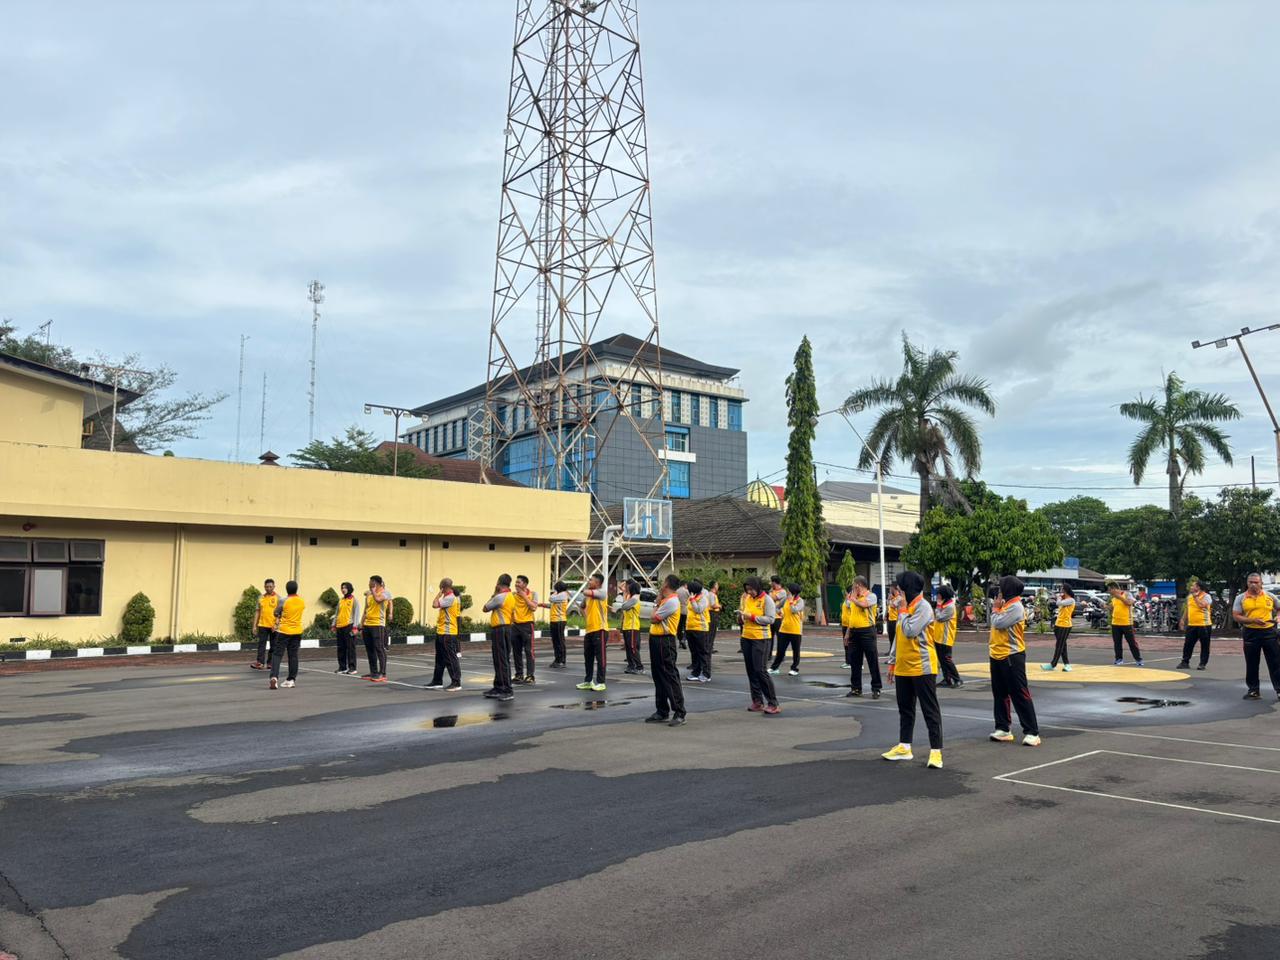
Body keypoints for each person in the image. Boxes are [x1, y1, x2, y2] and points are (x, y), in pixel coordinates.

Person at [881, 571, 942, 768]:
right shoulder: (905, 608)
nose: (897, 592)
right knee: (905, 709)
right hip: (903, 667)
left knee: (929, 710)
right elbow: (898, 638)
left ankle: (936, 752)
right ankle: (904, 747)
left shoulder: (923, 607)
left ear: (907, 589)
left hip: (922, 667)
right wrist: (892, 662)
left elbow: (909, 631)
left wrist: (902, 610)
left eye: (900, 589)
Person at [988, 575, 1041, 746]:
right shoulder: (1005, 605)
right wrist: (997, 607)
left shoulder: (1016, 607)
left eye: (1001, 587)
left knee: (1019, 693)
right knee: (1000, 693)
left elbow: (998, 623)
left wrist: (995, 608)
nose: (999, 590)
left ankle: (1032, 732)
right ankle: (1003, 728)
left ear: (1008, 589)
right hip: (996, 654)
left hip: (1012, 655)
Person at [645, 574, 687, 727]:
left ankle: (679, 712)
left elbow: (653, 618)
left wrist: (656, 605)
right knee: (658, 675)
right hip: (656, 640)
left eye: (663, 582)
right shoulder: (665, 600)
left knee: (669, 676)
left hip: (665, 641)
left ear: (667, 585)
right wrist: (657, 603)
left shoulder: (672, 601)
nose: (661, 585)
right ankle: (662, 710)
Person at [1232, 573, 1280, 701]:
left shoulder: (1270, 596)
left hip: (1269, 632)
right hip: (1251, 632)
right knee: (1252, 662)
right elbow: (1236, 616)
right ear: (1247, 583)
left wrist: (1278, 617)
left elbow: (1279, 608)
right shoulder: (1241, 598)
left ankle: (1279, 690)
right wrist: (1252, 620)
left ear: (1261, 583)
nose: (1253, 585)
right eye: (1251, 582)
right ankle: (1253, 690)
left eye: (1256, 582)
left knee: (1275, 662)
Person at [739, 576, 780, 715]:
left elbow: (771, 619)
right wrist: (742, 617)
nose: (749, 592)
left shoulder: (767, 599)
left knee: (760, 670)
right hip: (746, 637)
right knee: (751, 671)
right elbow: (746, 613)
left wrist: (752, 617)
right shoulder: (747, 598)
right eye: (747, 589)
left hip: (761, 639)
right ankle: (757, 701)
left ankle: (773, 703)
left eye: (751, 589)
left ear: (758, 587)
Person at [843, 579, 881, 698]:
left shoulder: (871, 596)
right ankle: (856, 688)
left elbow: (864, 605)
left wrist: (853, 598)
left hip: (867, 631)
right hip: (854, 632)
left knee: (872, 660)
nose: (853, 589)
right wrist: (848, 633)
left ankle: (876, 688)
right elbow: (852, 617)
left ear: (859, 586)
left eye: (854, 586)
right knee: (855, 661)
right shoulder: (854, 598)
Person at [482, 574, 516, 701]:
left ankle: (507, 690)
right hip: (507, 628)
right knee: (501, 659)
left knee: (501, 660)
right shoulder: (511, 596)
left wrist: (494, 593)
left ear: (499, 583)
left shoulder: (500, 597)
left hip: (500, 629)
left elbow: (485, 608)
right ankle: (498, 687)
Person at [424, 578, 462, 691]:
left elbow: (434, 604)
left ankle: (456, 682)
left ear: (443, 587)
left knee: (450, 658)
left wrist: (439, 594)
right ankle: (437, 681)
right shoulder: (449, 597)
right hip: (442, 631)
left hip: (448, 633)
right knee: (439, 659)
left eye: (440, 588)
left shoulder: (450, 598)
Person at [269, 580, 305, 690]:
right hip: (297, 631)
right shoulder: (301, 601)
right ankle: (291, 680)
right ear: (296, 589)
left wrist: (280, 614)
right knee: (293, 655)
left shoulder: (283, 600)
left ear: (286, 589)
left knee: (277, 654)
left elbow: (276, 612)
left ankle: (274, 677)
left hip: (284, 631)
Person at [578, 573, 609, 692]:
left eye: (591, 580)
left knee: (600, 657)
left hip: (600, 629)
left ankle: (601, 682)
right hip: (590, 629)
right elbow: (582, 607)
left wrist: (585, 590)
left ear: (597, 583)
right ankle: (588, 681)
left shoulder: (602, 593)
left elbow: (586, 592)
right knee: (588, 657)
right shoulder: (588, 596)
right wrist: (586, 618)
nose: (589, 581)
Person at [362, 575, 393, 683]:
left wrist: (373, 591)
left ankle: (382, 673)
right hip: (367, 624)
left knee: (379, 648)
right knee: (370, 649)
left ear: (376, 583)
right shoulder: (369, 595)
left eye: (371, 582)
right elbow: (366, 610)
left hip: (378, 624)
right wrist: (361, 624)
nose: (369, 584)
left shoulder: (385, 593)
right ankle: (373, 672)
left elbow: (378, 600)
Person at [769, 582, 805, 676]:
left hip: (795, 630)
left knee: (795, 651)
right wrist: (780, 613)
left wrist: (791, 601)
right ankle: (774, 668)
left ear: (793, 592)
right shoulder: (785, 599)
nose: (787, 591)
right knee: (780, 650)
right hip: (784, 629)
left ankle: (794, 669)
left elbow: (794, 610)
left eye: (788, 590)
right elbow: (776, 607)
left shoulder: (800, 601)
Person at [1177, 579, 1213, 671]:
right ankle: (1185, 662)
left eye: (1193, 585)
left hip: (1204, 624)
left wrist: (1196, 597)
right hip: (1192, 624)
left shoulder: (1206, 596)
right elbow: (1188, 609)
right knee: (1188, 644)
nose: (1191, 587)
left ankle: (1202, 663)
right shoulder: (1189, 597)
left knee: (1205, 645)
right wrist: (1183, 619)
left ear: (1198, 587)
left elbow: (1202, 605)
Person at [932, 584, 962, 687]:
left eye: (938, 594)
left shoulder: (950, 606)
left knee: (947, 659)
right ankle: (947, 679)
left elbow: (939, 617)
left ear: (943, 595)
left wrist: (937, 606)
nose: (937, 596)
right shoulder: (944, 604)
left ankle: (957, 679)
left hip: (945, 637)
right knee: (942, 660)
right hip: (938, 637)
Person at [511, 575, 538, 685]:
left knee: (529, 651)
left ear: (525, 584)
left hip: (527, 625)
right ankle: (519, 675)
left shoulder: (533, 594)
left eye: (519, 582)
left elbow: (533, 607)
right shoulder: (512, 595)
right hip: (515, 626)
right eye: (516, 582)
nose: (516, 584)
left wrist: (524, 596)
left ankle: (530, 676)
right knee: (516, 651)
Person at [1108, 580, 1143, 666]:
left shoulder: (1127, 594)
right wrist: (1105, 606)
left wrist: (1120, 597)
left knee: (1132, 642)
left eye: (1110, 590)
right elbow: (1112, 608)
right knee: (1117, 643)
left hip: (1127, 623)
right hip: (1115, 623)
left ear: (1114, 589)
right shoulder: (1113, 598)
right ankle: (1119, 659)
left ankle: (1138, 659)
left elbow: (1129, 603)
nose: (1109, 592)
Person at [613, 579, 644, 674]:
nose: (627, 588)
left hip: (632, 627)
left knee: (633, 648)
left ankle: (639, 667)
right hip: (627, 626)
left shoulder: (634, 599)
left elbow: (624, 606)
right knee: (628, 648)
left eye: (628, 587)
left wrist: (624, 596)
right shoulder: (630, 597)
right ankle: (631, 666)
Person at [1043, 585, 1076, 672]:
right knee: (1062, 645)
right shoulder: (1064, 599)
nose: (1061, 592)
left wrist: (1058, 597)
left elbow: (1058, 603)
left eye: (1062, 590)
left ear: (1065, 591)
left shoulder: (1071, 600)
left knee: (1059, 645)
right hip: (1058, 624)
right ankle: (1067, 664)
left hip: (1065, 625)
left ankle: (1053, 664)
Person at [685, 579, 712, 682]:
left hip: (700, 628)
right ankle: (696, 672)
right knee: (694, 652)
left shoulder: (703, 598)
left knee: (703, 652)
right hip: (690, 628)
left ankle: (706, 673)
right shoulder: (691, 598)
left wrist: (692, 600)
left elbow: (698, 609)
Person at [332, 581, 361, 676]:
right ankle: (342, 667)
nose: (343, 589)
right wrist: (334, 624)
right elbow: (337, 613)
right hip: (340, 627)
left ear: (349, 589)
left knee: (350, 648)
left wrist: (355, 627)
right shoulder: (341, 600)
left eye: (345, 587)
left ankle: (352, 668)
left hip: (349, 626)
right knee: (341, 648)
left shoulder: (354, 600)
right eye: (342, 588)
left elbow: (356, 614)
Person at [250, 578, 280, 670]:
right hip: (262, 625)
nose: (269, 588)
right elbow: (257, 612)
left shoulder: (278, 598)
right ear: (264, 587)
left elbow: (280, 613)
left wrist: (276, 624)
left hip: (273, 626)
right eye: (267, 587)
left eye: (270, 586)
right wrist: (254, 626)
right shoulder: (261, 598)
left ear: (274, 586)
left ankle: (270, 663)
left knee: (273, 645)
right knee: (261, 645)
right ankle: (260, 663)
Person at [543, 581, 570, 668]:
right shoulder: (559, 596)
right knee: (555, 641)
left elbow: (551, 598)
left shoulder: (563, 594)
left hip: (559, 621)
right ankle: (557, 659)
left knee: (560, 641)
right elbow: (553, 605)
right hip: (555, 620)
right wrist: (543, 605)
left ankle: (561, 660)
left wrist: (554, 593)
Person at [767, 575, 787, 663]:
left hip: (779, 617)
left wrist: (770, 593)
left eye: (771, 582)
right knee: (769, 637)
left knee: (780, 638)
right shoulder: (771, 591)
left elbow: (773, 599)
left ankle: (781, 655)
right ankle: (768, 655)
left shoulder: (782, 592)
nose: (770, 583)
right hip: (771, 617)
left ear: (774, 582)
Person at [707, 580, 722, 654]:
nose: (718, 586)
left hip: (712, 613)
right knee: (712, 631)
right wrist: (719, 606)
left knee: (711, 631)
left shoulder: (710, 594)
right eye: (717, 585)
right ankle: (709, 647)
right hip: (713, 614)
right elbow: (713, 605)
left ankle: (709, 646)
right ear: (714, 586)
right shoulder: (712, 595)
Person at [676, 579, 690, 652]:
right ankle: (684, 639)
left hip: (678, 611)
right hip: (685, 610)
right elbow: (690, 599)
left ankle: (680, 640)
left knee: (679, 627)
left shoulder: (676, 591)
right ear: (685, 584)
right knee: (685, 626)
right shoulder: (686, 591)